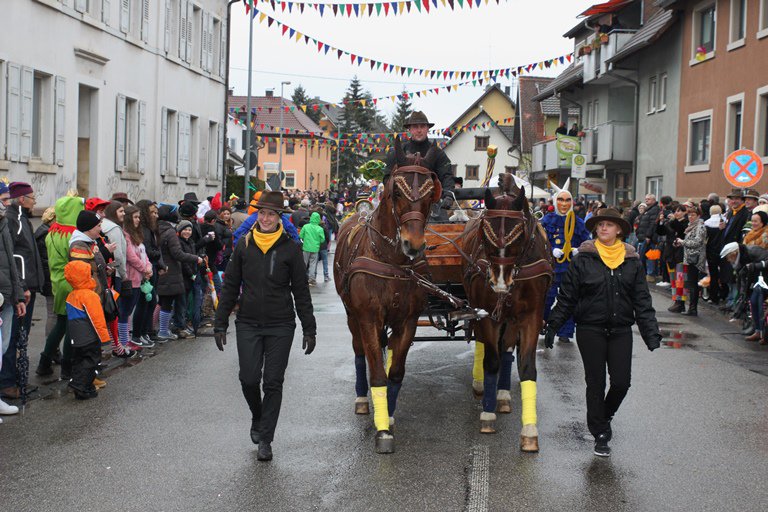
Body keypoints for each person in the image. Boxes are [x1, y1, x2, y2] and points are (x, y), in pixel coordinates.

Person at [544, 208, 661, 457]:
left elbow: (642, 299)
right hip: (590, 329)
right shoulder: (583, 258)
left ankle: (603, 415)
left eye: (609, 225)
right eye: (600, 225)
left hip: (620, 330)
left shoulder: (632, 260)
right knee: (595, 383)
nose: (604, 228)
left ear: (619, 229)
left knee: (621, 382)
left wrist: (651, 332)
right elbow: (567, 297)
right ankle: (600, 433)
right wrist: (553, 325)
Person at [214, 191, 317, 462]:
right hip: (248, 321)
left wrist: (309, 328)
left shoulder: (290, 248)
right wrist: (220, 322)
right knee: (248, 378)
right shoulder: (244, 246)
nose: (266, 218)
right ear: (256, 215)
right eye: (262, 213)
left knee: (272, 382)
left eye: (272, 214)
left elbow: (300, 292)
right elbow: (230, 287)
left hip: (281, 324)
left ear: (279, 217)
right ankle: (258, 417)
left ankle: (266, 439)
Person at [0, 182, 43, 397]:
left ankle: (17, 378)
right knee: (11, 336)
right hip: (20, 290)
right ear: (22, 199)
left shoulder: (22, 219)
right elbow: (14, 257)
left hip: (25, 287)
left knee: (19, 336)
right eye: (32, 197)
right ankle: (7, 383)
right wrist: (23, 287)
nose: (35, 201)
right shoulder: (12, 218)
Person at [541, 179, 591, 343]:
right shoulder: (547, 220)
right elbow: (539, 242)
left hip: (571, 267)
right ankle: (545, 325)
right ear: (555, 201)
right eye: (561, 199)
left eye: (567, 199)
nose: (564, 203)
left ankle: (565, 331)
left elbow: (587, 242)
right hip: (551, 267)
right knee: (547, 297)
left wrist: (578, 249)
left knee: (569, 300)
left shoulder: (578, 221)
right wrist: (550, 249)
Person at [63, 260, 112, 400]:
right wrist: (104, 337)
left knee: (79, 360)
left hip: (76, 336)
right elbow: (97, 318)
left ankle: (79, 383)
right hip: (88, 336)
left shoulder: (72, 295)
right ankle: (81, 386)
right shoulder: (89, 295)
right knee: (91, 361)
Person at [156, 205, 203, 340]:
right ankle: (163, 331)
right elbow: (177, 253)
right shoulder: (170, 232)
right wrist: (196, 258)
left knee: (161, 302)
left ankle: (153, 330)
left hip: (162, 269)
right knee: (167, 303)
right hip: (170, 272)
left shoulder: (157, 229)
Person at [384, 111, 455, 194]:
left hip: (431, 201)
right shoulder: (398, 152)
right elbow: (387, 177)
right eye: (415, 127)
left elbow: (447, 176)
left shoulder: (438, 153)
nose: (419, 130)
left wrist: (448, 195)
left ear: (428, 128)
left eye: (422, 126)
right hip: (402, 202)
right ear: (409, 129)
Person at [0, 182, 25, 407]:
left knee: (3, 348)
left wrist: (18, 296)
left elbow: (11, 261)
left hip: (7, 296)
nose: (8, 203)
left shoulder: (4, 224)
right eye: (4, 199)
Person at [134, 200, 165, 344]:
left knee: (151, 302)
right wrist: (157, 256)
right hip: (145, 270)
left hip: (152, 268)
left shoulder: (151, 228)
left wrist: (159, 264)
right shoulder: (144, 230)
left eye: (156, 212)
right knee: (146, 302)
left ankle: (146, 332)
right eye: (152, 212)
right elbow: (148, 251)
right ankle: (139, 333)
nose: (156, 215)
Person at [124, 205, 154, 348]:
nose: (138, 220)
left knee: (145, 304)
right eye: (135, 217)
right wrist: (144, 269)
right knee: (128, 311)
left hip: (142, 277)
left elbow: (144, 254)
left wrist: (149, 267)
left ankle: (138, 335)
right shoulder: (126, 235)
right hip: (132, 278)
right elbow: (131, 257)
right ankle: (128, 340)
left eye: (138, 217)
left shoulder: (137, 234)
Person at [676, 206, 707, 317]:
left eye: (693, 215)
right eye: (689, 215)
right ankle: (691, 308)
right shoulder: (691, 226)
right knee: (690, 283)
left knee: (693, 283)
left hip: (695, 258)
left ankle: (693, 309)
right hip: (689, 257)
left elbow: (697, 242)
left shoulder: (700, 227)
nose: (690, 217)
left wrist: (683, 242)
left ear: (698, 216)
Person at [299, 211, 325, 285]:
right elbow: (322, 239)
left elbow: (300, 236)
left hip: (306, 247)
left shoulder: (305, 226)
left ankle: (301, 278)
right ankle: (311, 279)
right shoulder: (320, 229)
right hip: (315, 248)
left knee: (304, 263)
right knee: (313, 264)